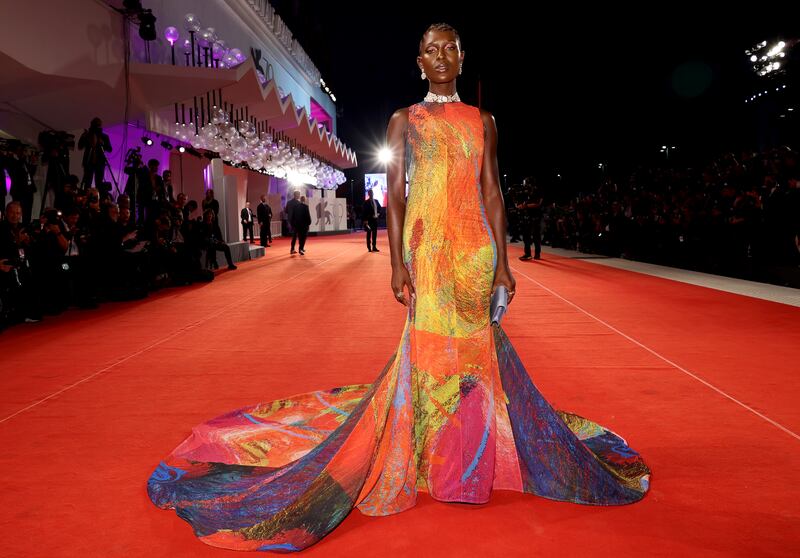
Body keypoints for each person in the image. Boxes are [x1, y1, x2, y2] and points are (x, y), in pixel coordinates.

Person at [148, 23, 650, 552]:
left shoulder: (483, 121)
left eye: (449, 49)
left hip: (474, 253)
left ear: (462, 56)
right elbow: (395, 196)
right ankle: (433, 456)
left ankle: (468, 468)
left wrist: (504, 264)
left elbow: (493, 192)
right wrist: (397, 265)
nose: (440, 58)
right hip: (428, 254)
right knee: (430, 355)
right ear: (418, 62)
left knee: (475, 358)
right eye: (430, 51)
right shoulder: (403, 121)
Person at [77, 118, 112, 188]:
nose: (97, 127)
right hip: (89, 162)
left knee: (99, 183)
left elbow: (110, 149)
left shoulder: (104, 137)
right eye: (95, 125)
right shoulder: (87, 135)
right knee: (87, 182)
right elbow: (80, 146)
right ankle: (86, 197)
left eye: (98, 125)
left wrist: (103, 143)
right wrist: (82, 137)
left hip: (100, 163)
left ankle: (98, 197)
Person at [517, 176, 544, 261]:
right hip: (528, 216)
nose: (525, 185)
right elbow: (526, 203)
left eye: (526, 183)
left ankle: (537, 254)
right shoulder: (527, 192)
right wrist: (521, 206)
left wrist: (525, 206)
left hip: (535, 216)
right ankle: (528, 254)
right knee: (526, 235)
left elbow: (537, 204)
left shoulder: (537, 191)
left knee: (536, 235)